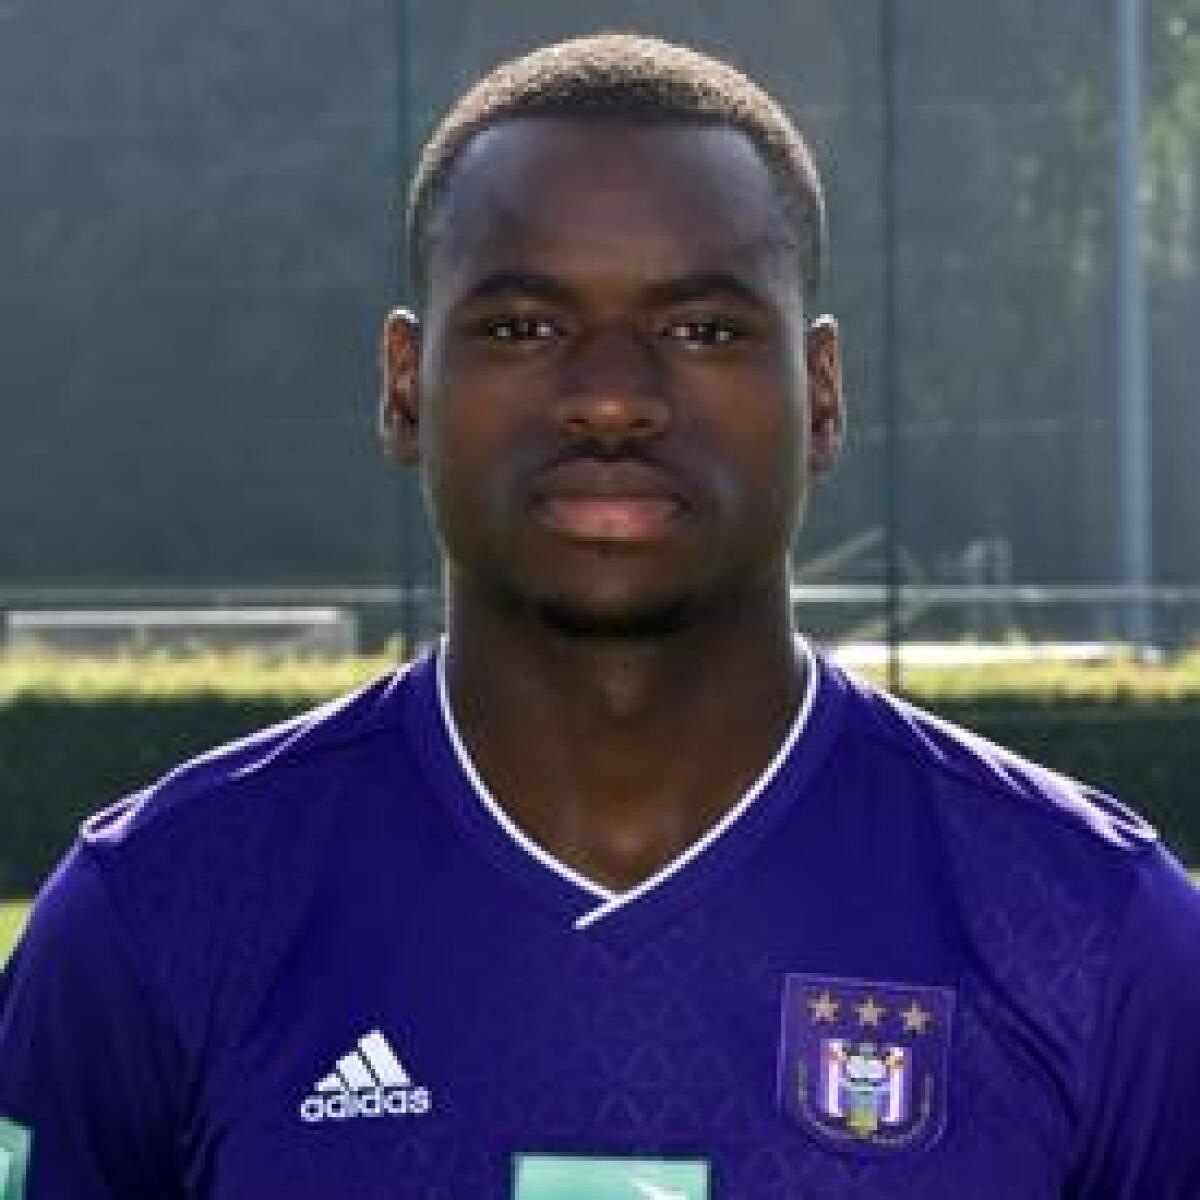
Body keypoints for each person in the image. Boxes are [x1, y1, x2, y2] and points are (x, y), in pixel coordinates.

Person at [2, 32, 1198, 1200]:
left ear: (822, 396)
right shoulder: (161, 911)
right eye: (523, 328)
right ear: (407, 388)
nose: (614, 398)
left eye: (703, 330)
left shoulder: (1092, 930)